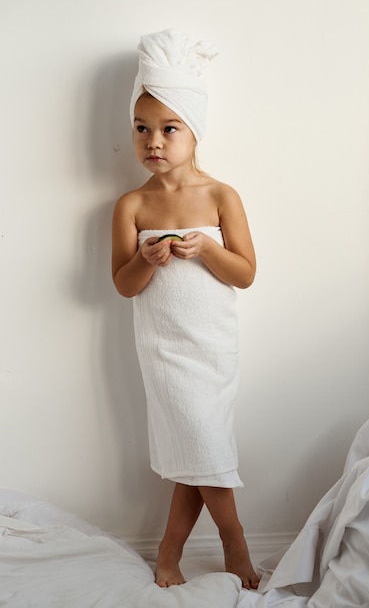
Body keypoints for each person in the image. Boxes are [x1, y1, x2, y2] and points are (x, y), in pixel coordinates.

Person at [111, 29, 258, 590]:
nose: (154, 140)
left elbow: (244, 273)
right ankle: (234, 542)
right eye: (142, 128)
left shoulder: (222, 196)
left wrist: (209, 248)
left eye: (169, 128)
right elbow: (124, 285)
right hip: (164, 348)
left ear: (194, 131)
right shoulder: (133, 204)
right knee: (201, 450)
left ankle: (170, 552)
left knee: (199, 453)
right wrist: (148, 258)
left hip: (212, 344)